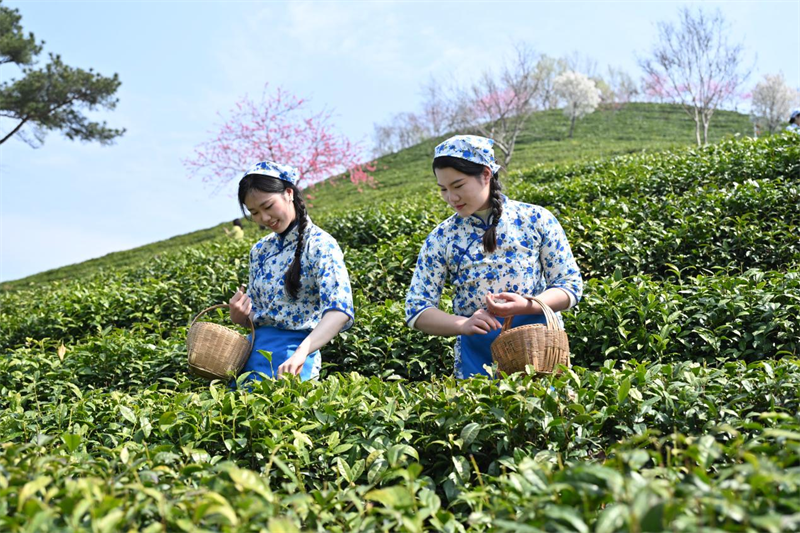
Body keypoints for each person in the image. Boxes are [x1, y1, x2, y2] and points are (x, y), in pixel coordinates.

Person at [405, 135, 583, 379]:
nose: (451, 197)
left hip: (539, 349)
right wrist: (463, 325)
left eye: (458, 185)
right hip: (477, 357)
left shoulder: (536, 219)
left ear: (486, 174)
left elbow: (570, 285)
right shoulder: (442, 237)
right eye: (443, 189)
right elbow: (417, 309)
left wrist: (527, 305)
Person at [229, 161, 354, 383]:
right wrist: (241, 316)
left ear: (289, 193)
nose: (264, 218)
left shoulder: (320, 244)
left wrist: (302, 351)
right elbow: (259, 314)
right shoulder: (260, 250)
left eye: (268, 206)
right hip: (250, 357)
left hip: (294, 358)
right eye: (254, 212)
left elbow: (339, 310)